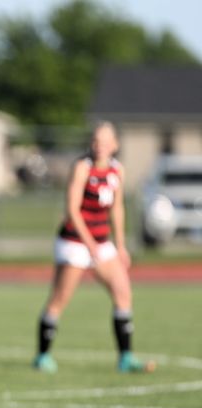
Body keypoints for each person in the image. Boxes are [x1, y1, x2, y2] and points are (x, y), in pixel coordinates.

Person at [33, 121, 156, 374]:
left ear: (115, 145)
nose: (99, 146)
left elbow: (117, 208)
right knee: (59, 299)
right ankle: (43, 355)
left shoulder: (116, 171)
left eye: (104, 142)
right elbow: (72, 211)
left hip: (102, 243)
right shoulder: (82, 168)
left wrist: (121, 246)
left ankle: (125, 358)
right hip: (74, 243)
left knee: (123, 294)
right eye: (95, 141)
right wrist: (89, 245)